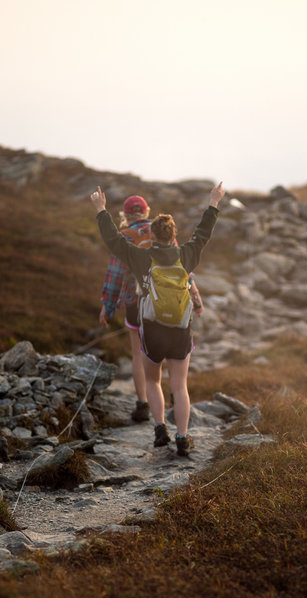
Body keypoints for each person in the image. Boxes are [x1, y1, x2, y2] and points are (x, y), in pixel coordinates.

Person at [90, 182, 225, 456]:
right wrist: (214, 201)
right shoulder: (187, 254)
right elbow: (203, 233)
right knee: (180, 385)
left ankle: (160, 428)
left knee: (152, 381)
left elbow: (113, 241)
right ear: (173, 235)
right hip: (179, 330)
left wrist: (101, 209)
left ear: (152, 234)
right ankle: (183, 438)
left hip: (151, 329)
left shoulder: (141, 258)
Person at [99, 195, 205, 423]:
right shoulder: (163, 230)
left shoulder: (126, 237)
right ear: (147, 211)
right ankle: (177, 412)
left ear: (126, 215)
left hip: (136, 301)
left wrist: (107, 307)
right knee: (176, 368)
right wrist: (195, 297)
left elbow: (114, 275)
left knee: (140, 354)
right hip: (173, 305)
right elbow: (180, 267)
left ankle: (143, 404)